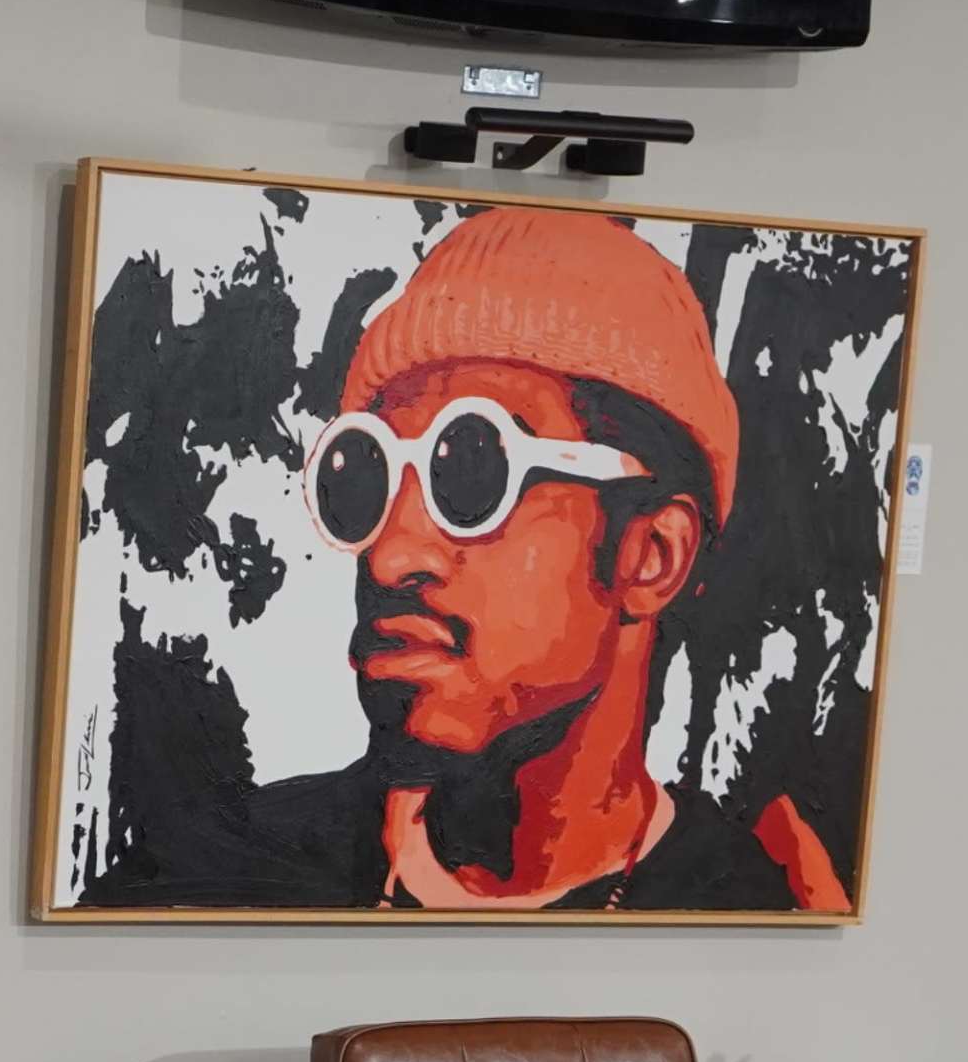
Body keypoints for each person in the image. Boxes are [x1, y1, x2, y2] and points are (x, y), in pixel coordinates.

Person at [137, 206, 844, 912]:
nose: (391, 555)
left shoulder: (749, 904)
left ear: (652, 555)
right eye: (368, 476)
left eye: (474, 470)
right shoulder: (230, 876)